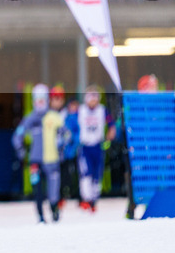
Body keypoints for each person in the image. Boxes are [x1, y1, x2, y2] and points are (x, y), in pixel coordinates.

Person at [13, 84, 69, 223]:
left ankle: (54, 208)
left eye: (42, 99)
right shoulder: (30, 119)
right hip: (35, 161)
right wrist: (21, 151)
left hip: (52, 160)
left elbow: (66, 134)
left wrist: (62, 145)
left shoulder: (54, 117)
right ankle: (40, 215)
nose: (40, 103)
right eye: (37, 100)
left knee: (53, 189)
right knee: (37, 189)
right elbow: (17, 136)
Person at [77, 85, 106, 212]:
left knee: (97, 174)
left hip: (98, 145)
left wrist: (111, 131)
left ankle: (94, 199)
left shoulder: (102, 110)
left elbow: (111, 123)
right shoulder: (81, 110)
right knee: (86, 174)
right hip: (85, 146)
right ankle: (86, 198)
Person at [55, 88, 80, 204]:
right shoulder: (53, 115)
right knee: (59, 175)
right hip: (61, 151)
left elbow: (71, 134)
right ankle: (60, 196)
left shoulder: (69, 116)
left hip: (70, 151)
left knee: (73, 173)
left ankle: (74, 194)